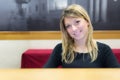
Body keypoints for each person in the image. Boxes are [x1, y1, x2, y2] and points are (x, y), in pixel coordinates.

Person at [43, 4, 120, 68]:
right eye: (68, 26)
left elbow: (116, 75)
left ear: (87, 21)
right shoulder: (61, 49)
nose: (73, 29)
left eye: (77, 22)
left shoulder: (104, 50)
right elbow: (44, 73)